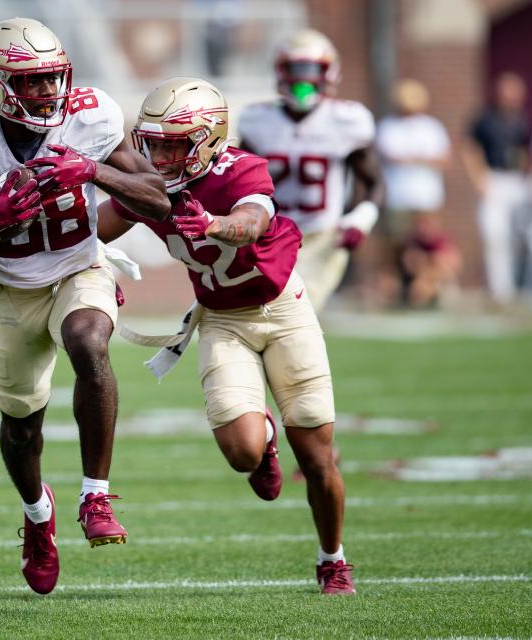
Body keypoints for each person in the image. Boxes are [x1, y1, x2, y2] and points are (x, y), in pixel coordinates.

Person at [0, 18, 170, 595]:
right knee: (21, 427)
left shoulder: (93, 116)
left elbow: (157, 197)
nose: (47, 92)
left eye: (53, 78)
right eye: (30, 82)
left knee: (88, 339)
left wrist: (93, 169)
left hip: (80, 268)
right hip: (11, 289)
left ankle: (95, 496)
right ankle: (36, 516)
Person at [99, 77, 356, 595]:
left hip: (284, 309)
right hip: (222, 318)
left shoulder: (241, 167)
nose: (161, 155)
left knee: (318, 455)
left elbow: (252, 221)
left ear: (208, 139)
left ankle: (333, 559)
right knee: (242, 452)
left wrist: (213, 224)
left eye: (174, 142)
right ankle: (264, 439)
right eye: (153, 142)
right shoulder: (149, 188)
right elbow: (91, 232)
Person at [238, 29, 382, 312]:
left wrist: (361, 218)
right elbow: (239, 178)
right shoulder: (258, 120)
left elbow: (374, 180)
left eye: (312, 68)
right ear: (281, 71)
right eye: (295, 68)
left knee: (294, 314)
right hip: (269, 235)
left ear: (329, 72)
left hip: (321, 238)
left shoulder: (346, 120)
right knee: (264, 316)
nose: (303, 77)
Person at [463, 72, 532, 307]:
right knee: (494, 234)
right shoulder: (485, 119)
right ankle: (501, 290)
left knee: (529, 237)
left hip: (517, 182)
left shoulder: (522, 120)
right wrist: (479, 178)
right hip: (493, 178)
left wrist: (530, 178)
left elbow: (528, 151)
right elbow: (471, 148)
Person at [375, 78, 461, 308]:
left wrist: (415, 158)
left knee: (432, 249)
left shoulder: (431, 127)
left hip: (427, 198)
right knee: (397, 248)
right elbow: (388, 155)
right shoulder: (388, 126)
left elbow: (444, 158)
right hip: (398, 197)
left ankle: (432, 291)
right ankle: (397, 292)